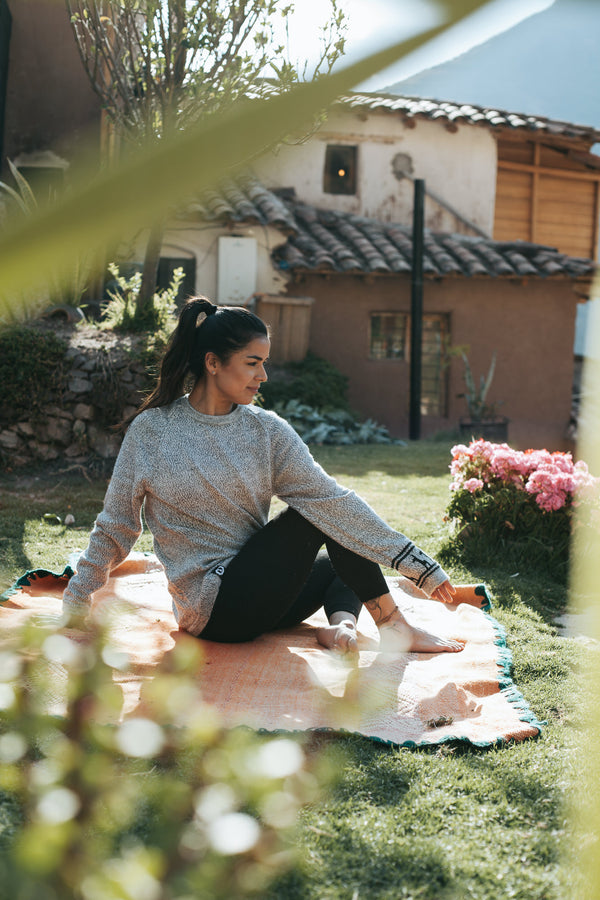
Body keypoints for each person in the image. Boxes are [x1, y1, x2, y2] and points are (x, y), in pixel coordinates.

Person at [62, 298, 462, 655]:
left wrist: (412, 560)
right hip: (213, 609)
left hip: (265, 599)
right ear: (213, 363)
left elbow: (333, 501)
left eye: (264, 363)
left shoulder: (267, 431)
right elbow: (117, 525)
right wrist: (77, 597)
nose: (263, 375)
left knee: (340, 542)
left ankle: (342, 627)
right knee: (319, 517)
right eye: (252, 363)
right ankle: (395, 627)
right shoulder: (153, 431)